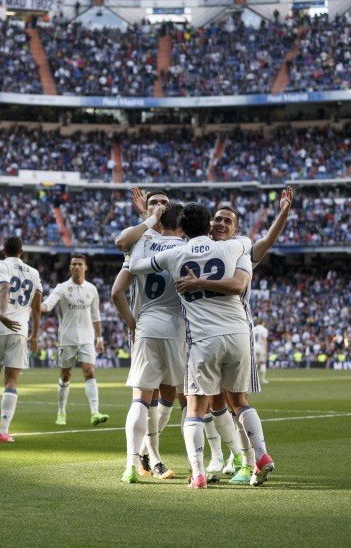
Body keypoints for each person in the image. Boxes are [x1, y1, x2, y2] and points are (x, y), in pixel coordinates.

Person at [131, 203, 274, 489]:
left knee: (195, 410)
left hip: (203, 340)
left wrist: (148, 226)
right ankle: (260, 454)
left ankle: (197, 473)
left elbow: (136, 266)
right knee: (240, 403)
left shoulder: (174, 254)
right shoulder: (235, 246)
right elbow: (256, 242)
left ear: (182, 229)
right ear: (209, 224)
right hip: (238, 336)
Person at [175, 190, 293, 484]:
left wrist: (283, 213)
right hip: (213, 336)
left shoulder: (240, 250)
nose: (220, 224)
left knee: (234, 401)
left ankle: (250, 461)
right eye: (216, 219)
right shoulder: (202, 251)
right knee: (217, 403)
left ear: (236, 228)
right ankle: (234, 458)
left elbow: (266, 242)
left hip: (236, 331)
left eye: (227, 220)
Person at [114, 201, 186, 483]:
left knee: (140, 400)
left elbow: (117, 291)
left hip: (146, 326)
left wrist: (134, 324)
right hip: (177, 327)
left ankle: (132, 462)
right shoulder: (187, 246)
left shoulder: (141, 244)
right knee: (188, 399)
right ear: (182, 224)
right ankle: (207, 462)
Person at [0, 236, 43, 443]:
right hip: (19, 330)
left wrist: (2, 312)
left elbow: (5, 286)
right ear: (22, 252)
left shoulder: (0, 264)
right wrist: (34, 334)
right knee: (12, 381)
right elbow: (36, 307)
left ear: (3, 251)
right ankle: (3, 431)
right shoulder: (34, 273)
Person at [41, 254, 109, 427]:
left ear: (85, 267)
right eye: (74, 264)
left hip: (87, 339)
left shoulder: (92, 289)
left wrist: (99, 338)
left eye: (80, 264)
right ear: (70, 268)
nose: (77, 267)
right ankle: (61, 412)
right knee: (65, 375)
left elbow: (95, 315)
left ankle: (95, 412)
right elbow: (48, 305)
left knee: (89, 371)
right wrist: (37, 305)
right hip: (67, 339)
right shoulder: (62, 288)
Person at [252, 319, 269, 385]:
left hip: (254, 347)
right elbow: (264, 340)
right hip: (261, 347)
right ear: (263, 322)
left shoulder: (253, 329)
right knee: (263, 363)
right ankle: (263, 379)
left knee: (254, 364)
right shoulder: (264, 329)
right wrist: (265, 350)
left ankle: (253, 380)